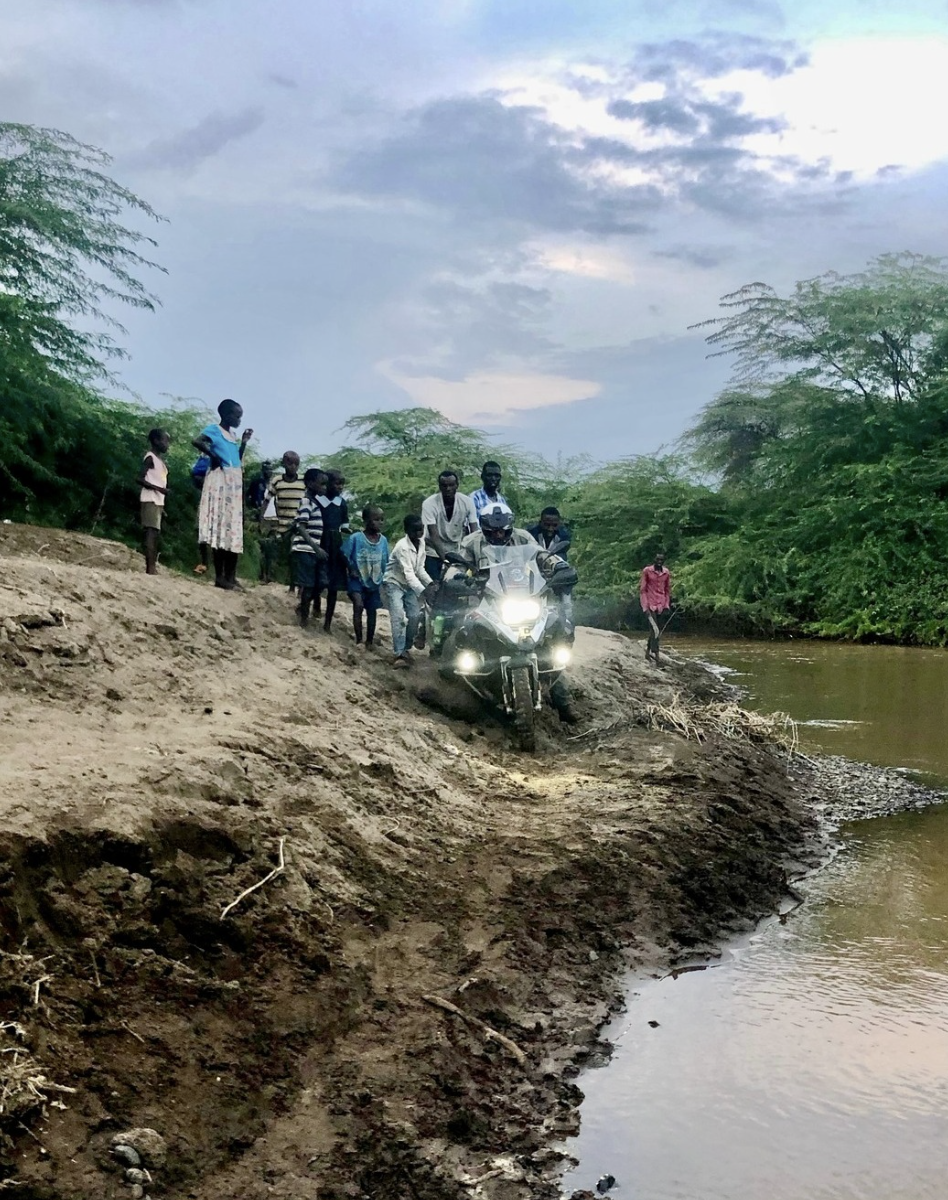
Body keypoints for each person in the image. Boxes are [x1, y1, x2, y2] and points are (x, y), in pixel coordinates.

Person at [456, 505, 578, 722]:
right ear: (484, 528)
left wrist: (559, 566)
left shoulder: (523, 537)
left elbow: (543, 555)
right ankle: (465, 688)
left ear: (510, 527)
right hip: (484, 600)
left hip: (523, 597)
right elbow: (456, 564)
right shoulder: (471, 542)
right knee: (463, 631)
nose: (498, 535)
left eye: (502, 530)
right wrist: (456, 577)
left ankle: (563, 701)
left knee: (555, 629)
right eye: (493, 531)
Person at [192, 399, 253, 590]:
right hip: (221, 481)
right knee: (221, 528)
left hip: (233, 482)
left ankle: (231, 576)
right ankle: (220, 577)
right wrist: (213, 456)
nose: (239, 419)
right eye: (237, 415)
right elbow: (197, 441)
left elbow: (236, 458)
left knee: (232, 529)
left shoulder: (232, 435)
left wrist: (243, 443)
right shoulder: (214, 430)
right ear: (226, 415)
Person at [382, 515, 437, 668]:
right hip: (394, 583)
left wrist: (431, 583)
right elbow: (409, 573)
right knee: (398, 617)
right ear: (407, 531)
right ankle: (398, 653)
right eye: (416, 530)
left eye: (422, 529)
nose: (420, 532)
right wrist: (424, 591)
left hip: (409, 585)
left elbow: (419, 569)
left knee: (414, 616)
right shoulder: (402, 547)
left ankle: (406, 649)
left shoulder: (422, 544)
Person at [344, 505, 389, 648]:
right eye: (376, 519)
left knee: (372, 610)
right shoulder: (356, 538)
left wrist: (384, 578)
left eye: (382, 519)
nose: (379, 522)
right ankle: (358, 639)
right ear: (366, 520)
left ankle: (369, 640)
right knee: (358, 605)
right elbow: (344, 554)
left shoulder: (383, 541)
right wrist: (351, 568)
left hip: (374, 580)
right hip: (357, 579)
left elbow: (385, 560)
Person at [290, 469, 330, 628]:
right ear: (310, 484)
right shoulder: (306, 502)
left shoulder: (315, 502)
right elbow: (301, 526)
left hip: (311, 550)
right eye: (322, 484)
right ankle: (303, 620)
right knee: (308, 585)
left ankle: (302, 609)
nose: (325, 488)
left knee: (321, 582)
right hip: (304, 549)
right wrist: (316, 548)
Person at [421, 470, 478, 581]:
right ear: (439, 486)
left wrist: (475, 554)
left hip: (456, 550)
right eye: (444, 485)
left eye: (451, 485)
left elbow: (474, 531)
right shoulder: (429, 503)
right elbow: (433, 534)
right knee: (434, 584)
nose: (448, 489)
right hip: (433, 550)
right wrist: (445, 560)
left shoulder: (467, 502)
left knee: (459, 584)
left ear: (457, 485)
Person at [528, 506, 573, 639]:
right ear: (540, 521)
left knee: (566, 603)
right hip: (532, 575)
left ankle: (567, 632)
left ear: (559, 523)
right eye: (547, 524)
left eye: (554, 525)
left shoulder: (564, 535)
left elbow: (561, 557)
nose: (550, 528)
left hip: (556, 575)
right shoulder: (531, 533)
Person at [316, 469, 350, 632]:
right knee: (318, 579)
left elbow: (344, 526)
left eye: (342, 484)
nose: (340, 487)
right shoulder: (317, 501)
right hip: (321, 541)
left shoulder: (341, 504)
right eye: (337, 483)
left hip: (335, 545)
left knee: (334, 585)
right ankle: (313, 606)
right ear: (327, 483)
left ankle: (327, 622)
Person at [268, 451, 306, 589]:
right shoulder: (277, 480)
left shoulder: (303, 481)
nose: (293, 467)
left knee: (297, 555)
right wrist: (262, 520)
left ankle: (295, 584)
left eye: (296, 464)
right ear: (284, 463)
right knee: (283, 555)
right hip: (282, 525)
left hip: (299, 525)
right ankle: (272, 578)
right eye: (290, 463)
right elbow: (268, 500)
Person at [137, 428, 170, 575]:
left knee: (154, 534)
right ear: (156, 441)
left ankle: (152, 566)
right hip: (150, 499)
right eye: (165, 440)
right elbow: (139, 478)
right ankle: (150, 568)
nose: (167, 444)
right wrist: (159, 489)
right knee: (150, 533)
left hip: (157, 502)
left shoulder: (160, 462)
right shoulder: (150, 458)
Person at [247, 460, 277, 583]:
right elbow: (248, 497)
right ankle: (261, 574)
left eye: (270, 469)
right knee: (262, 546)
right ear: (263, 470)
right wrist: (254, 510)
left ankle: (268, 574)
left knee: (271, 548)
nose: (268, 472)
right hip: (261, 518)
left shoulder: (275, 484)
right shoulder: (257, 483)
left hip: (274, 518)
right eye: (266, 469)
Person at [640, 552, 672, 666]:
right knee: (655, 630)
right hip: (650, 605)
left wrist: (667, 605)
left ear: (663, 561)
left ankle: (647, 653)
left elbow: (667, 590)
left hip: (661, 606)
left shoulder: (666, 573)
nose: (659, 562)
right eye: (657, 560)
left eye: (661, 560)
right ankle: (657, 656)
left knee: (656, 630)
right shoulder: (647, 571)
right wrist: (645, 607)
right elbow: (643, 590)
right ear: (654, 560)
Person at [190, 454, 211, 575]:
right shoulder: (207, 461)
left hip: (209, 500)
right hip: (206, 500)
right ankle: (204, 564)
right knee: (202, 531)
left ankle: (205, 564)